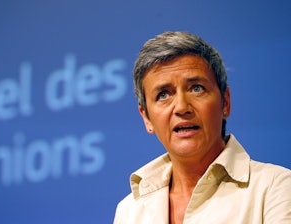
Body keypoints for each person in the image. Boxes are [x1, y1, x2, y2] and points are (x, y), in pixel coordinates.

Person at [113, 31, 291, 224]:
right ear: (146, 117)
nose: (181, 107)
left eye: (196, 88)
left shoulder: (276, 188)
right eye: (163, 95)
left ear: (225, 102)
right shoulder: (130, 211)